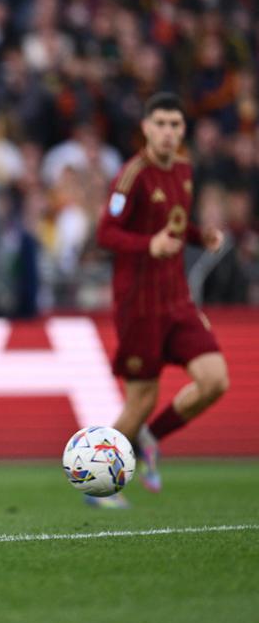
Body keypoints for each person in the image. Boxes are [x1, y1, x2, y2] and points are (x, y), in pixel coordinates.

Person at [94, 92, 229, 508]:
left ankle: (151, 437)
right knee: (142, 397)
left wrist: (196, 236)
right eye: (161, 124)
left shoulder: (186, 170)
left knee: (215, 380)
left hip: (178, 299)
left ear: (182, 130)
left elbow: (173, 222)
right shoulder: (132, 175)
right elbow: (106, 234)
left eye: (176, 125)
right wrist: (147, 244)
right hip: (140, 303)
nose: (169, 132)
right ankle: (101, 485)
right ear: (147, 129)